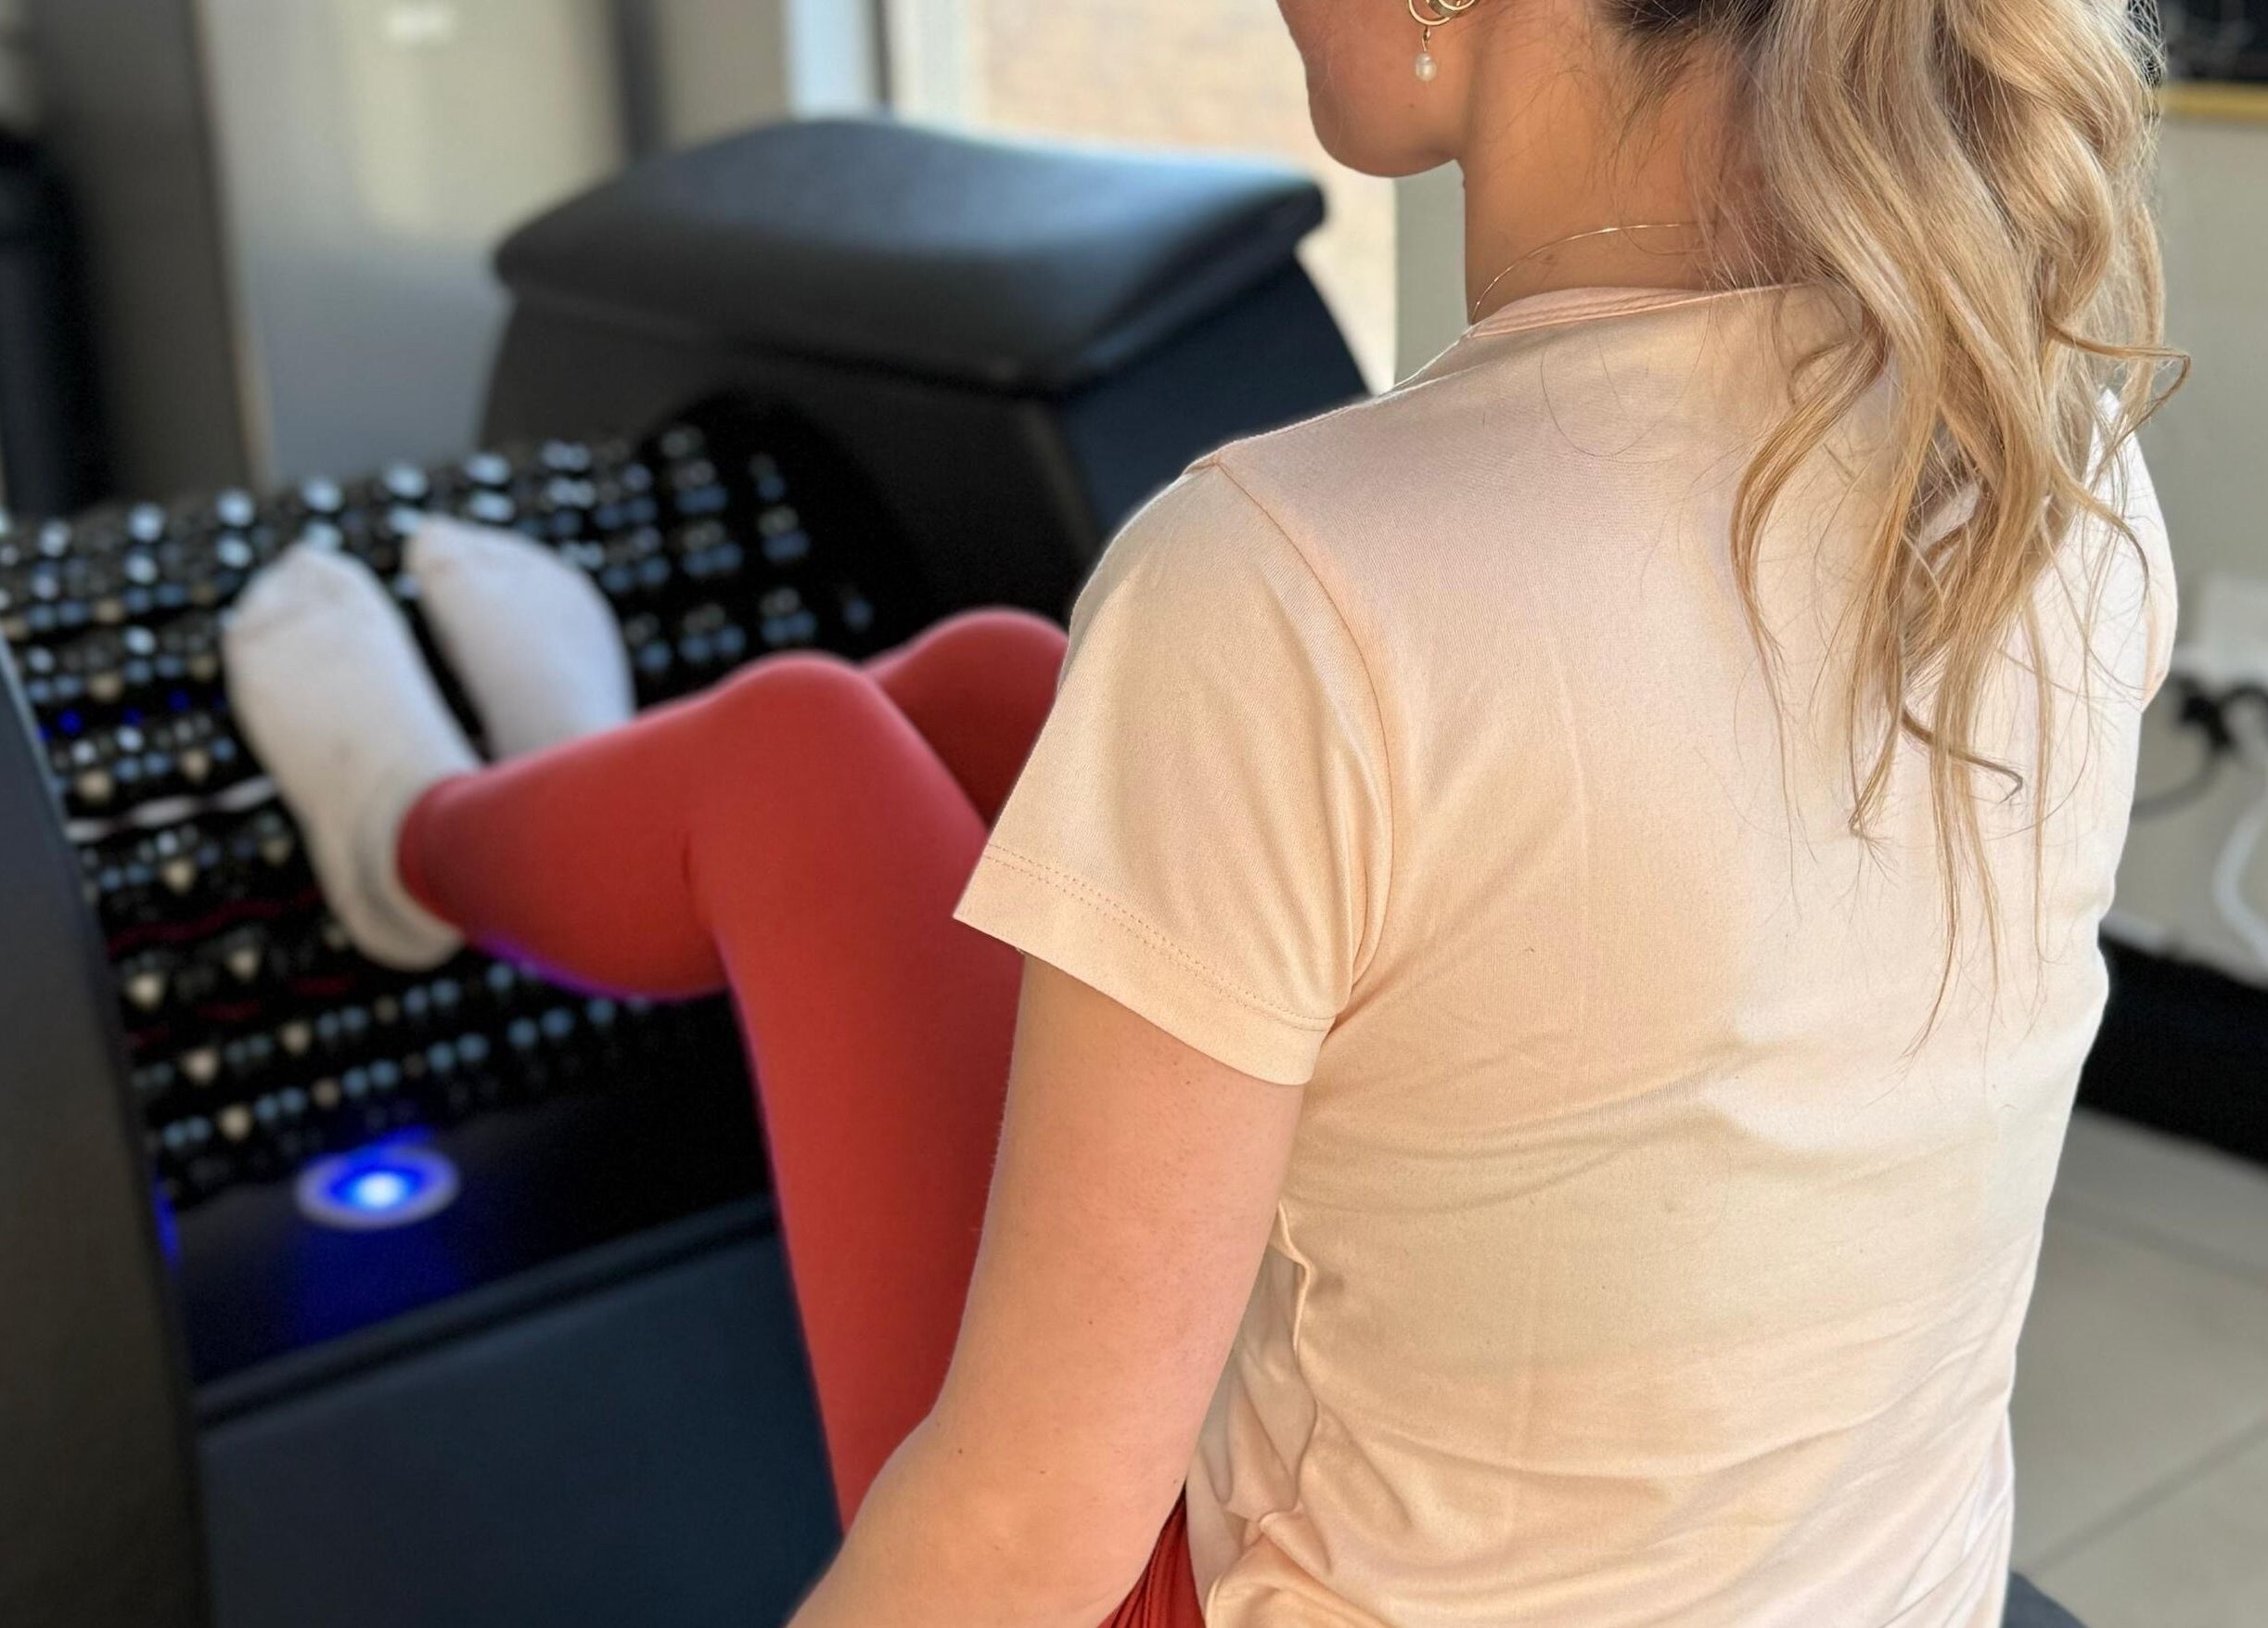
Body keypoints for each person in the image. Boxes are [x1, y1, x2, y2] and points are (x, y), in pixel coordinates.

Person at [223, 0, 2179, 1622]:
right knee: (1002, 692)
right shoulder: (2048, 451)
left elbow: (1025, 1526)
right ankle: (586, 783)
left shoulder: (1294, 574)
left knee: (800, 756)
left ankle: (410, 837)